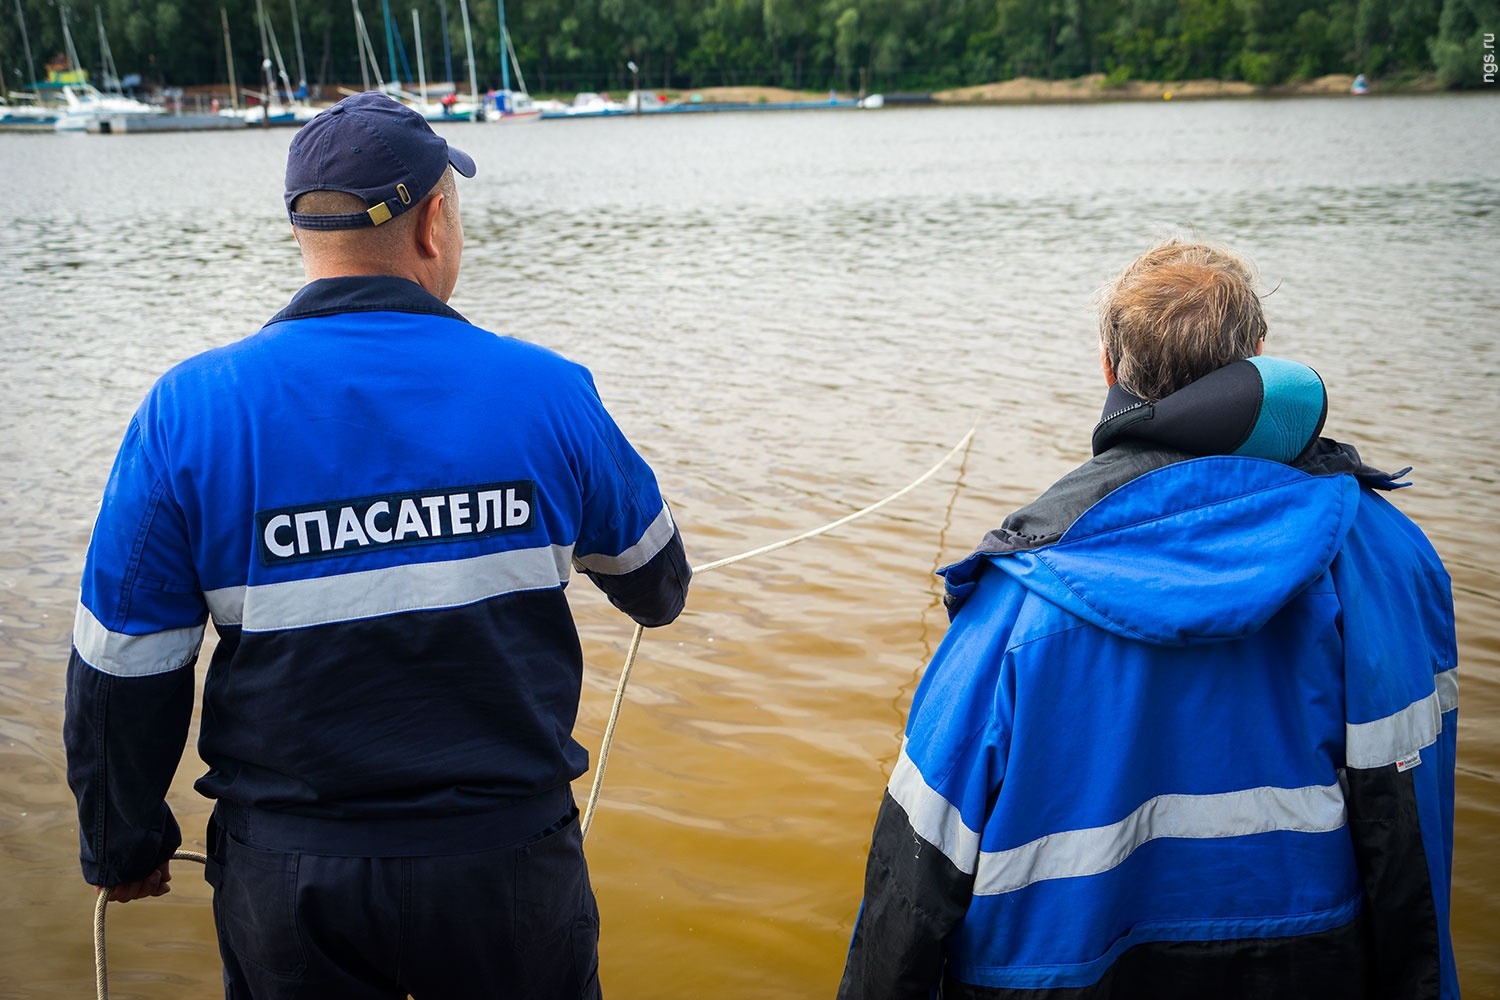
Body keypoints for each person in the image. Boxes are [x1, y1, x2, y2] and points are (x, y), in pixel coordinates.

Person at [64, 91, 690, 999]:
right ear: (435, 223)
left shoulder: (188, 411)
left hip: (290, 883)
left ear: (304, 233)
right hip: (506, 873)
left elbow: (124, 666)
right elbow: (657, 586)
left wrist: (123, 843)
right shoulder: (548, 393)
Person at [837, 239, 1458, 999]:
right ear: (1256, 360)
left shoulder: (1016, 609)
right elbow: (1412, 838)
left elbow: (912, 884)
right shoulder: (1383, 556)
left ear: (1108, 369)